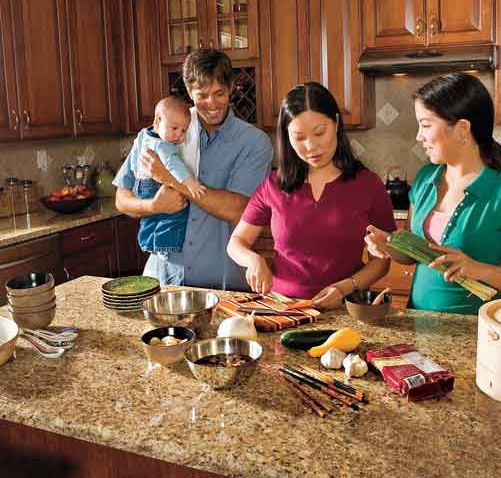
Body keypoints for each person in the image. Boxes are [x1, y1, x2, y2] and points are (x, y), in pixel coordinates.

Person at [365, 72, 501, 315]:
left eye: (426, 125)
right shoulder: (424, 179)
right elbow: (414, 256)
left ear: (462, 129)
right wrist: (388, 244)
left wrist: (476, 269)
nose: (419, 137)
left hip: (472, 329)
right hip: (417, 321)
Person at [227, 82, 396, 310]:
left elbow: (382, 261)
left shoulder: (368, 185)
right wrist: (254, 260)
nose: (311, 146)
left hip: (346, 308)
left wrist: (345, 288)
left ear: (336, 123)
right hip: (283, 310)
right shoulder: (273, 185)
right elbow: (236, 243)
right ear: (287, 137)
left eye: (319, 133)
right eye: (299, 137)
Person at [113, 49, 274, 288]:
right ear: (189, 91)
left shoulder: (254, 143)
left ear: (231, 87)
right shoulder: (167, 129)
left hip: (224, 285)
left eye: (219, 93)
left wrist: (171, 179)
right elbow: (122, 197)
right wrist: (152, 206)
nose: (212, 104)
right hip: (162, 279)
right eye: (202, 95)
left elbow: (239, 210)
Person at [129, 95, 206, 259]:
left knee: (149, 219)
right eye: (174, 128)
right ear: (157, 121)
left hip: (141, 184)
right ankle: (164, 246)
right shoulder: (164, 145)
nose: (179, 135)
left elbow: (136, 152)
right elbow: (173, 164)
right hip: (154, 185)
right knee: (175, 214)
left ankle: (148, 243)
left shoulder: (144, 134)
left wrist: (136, 170)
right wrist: (190, 183)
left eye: (184, 130)